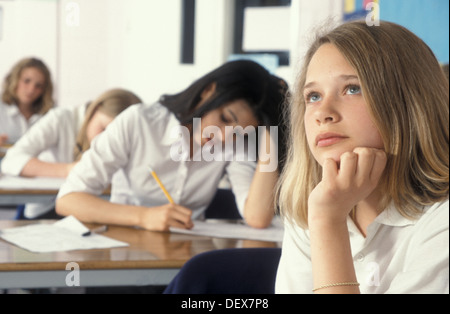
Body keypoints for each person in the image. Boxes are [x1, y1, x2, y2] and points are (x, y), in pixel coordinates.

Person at [275, 21, 449, 294]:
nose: (323, 112)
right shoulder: (312, 206)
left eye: (352, 89)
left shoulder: (443, 220)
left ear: (408, 103)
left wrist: (328, 222)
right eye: (313, 96)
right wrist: (324, 217)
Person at [55, 60, 289, 230]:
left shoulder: (234, 143)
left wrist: (271, 128)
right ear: (208, 92)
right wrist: (144, 217)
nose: (226, 137)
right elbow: (68, 199)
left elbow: (257, 218)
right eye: (225, 119)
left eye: (240, 132)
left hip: (183, 260)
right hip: (124, 253)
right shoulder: (139, 122)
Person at [1, 88, 142, 219]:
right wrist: (69, 169)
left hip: (98, 213)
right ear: (95, 110)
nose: (106, 141)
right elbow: (11, 160)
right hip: (48, 211)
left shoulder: (134, 134)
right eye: (103, 128)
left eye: (114, 137)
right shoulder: (61, 118)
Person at [0, 58, 54, 146]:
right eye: (26, 81)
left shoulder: (51, 115)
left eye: (38, 85)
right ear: (14, 80)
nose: (31, 89)